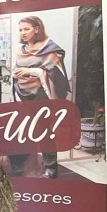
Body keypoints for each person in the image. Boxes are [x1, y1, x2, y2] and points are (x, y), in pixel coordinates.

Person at [9, 15, 70, 178]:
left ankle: (51, 168)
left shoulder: (50, 49)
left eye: (26, 29)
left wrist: (31, 71)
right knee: (20, 129)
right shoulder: (21, 50)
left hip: (41, 95)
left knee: (43, 131)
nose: (23, 32)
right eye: (20, 30)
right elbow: (17, 68)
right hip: (22, 94)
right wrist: (16, 73)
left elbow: (56, 74)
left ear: (37, 29)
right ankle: (20, 164)